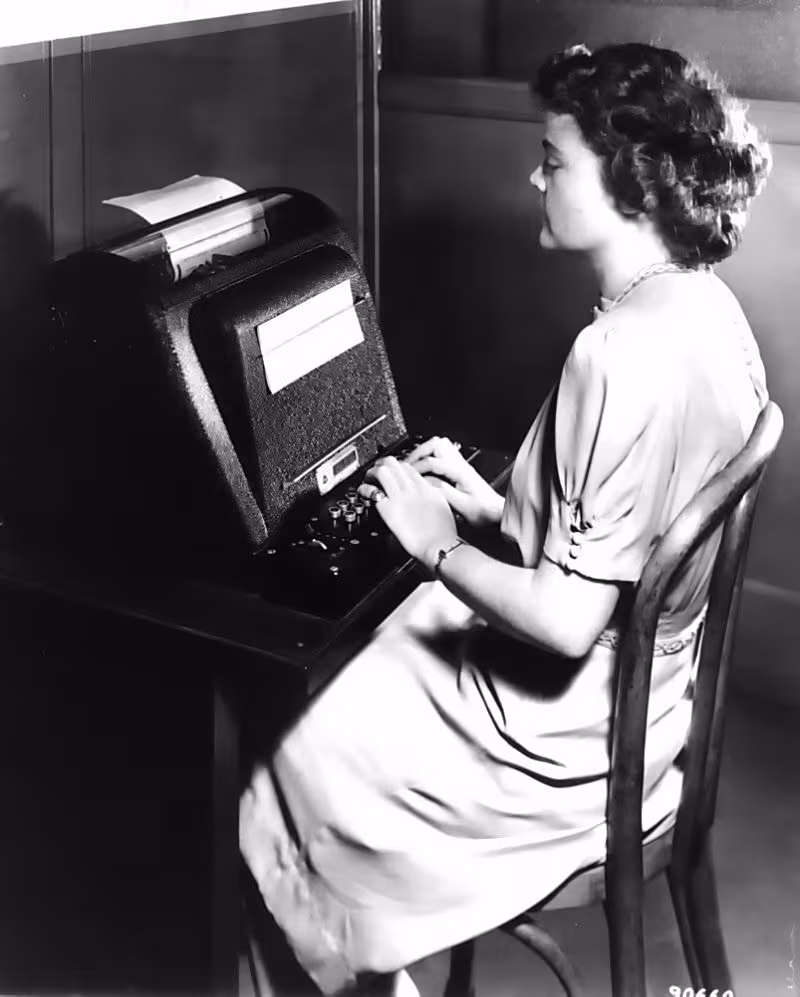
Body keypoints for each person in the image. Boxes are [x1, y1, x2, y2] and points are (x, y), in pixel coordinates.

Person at [240, 42, 771, 996]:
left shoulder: (615, 355)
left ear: (634, 186)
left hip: (561, 746)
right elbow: (623, 529)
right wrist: (491, 505)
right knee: (369, 650)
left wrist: (437, 544)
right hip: (650, 713)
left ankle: (350, 957)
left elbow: (568, 621)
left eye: (555, 160)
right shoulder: (709, 314)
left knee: (285, 715)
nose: (534, 174)